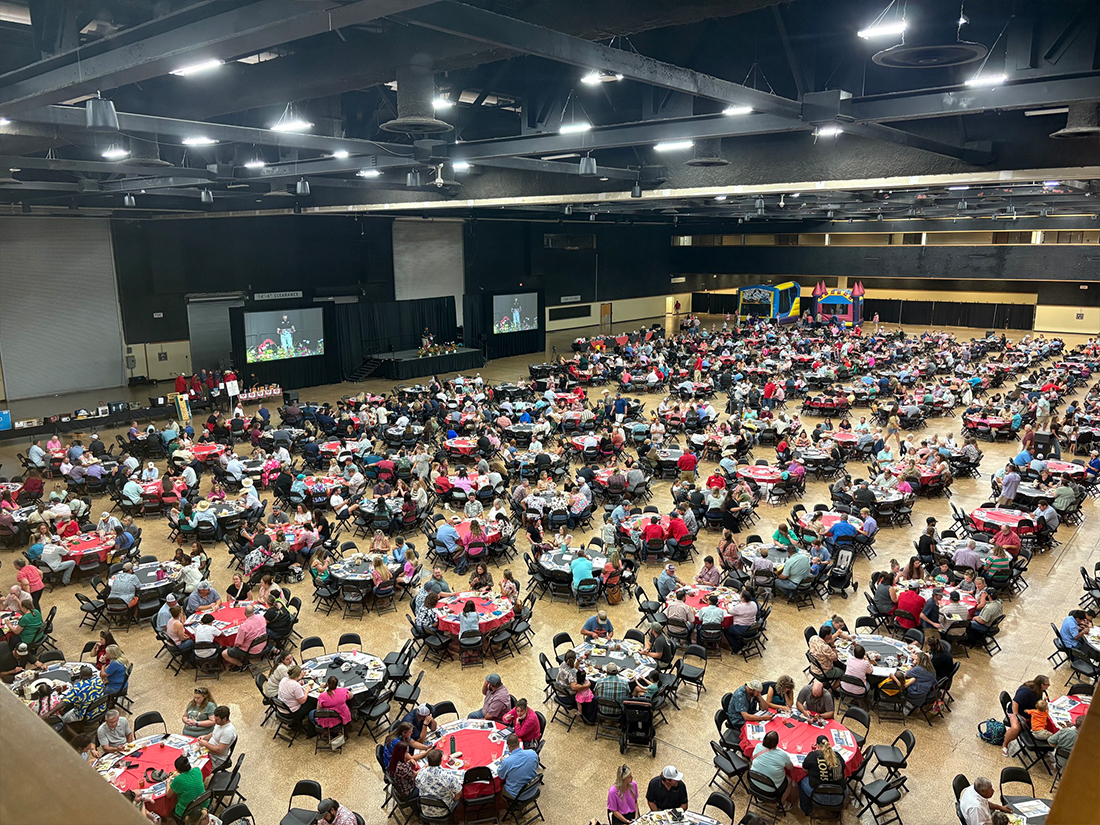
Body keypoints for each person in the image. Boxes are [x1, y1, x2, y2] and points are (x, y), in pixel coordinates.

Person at [1000, 675, 1050, 757]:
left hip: (1027, 713)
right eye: (1047, 684)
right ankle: (1005, 745)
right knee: (1016, 728)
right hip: (1015, 711)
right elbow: (1015, 702)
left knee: (1043, 722)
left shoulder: (1039, 690)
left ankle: (1041, 748)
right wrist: (1016, 716)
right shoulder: (1026, 691)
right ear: (1042, 685)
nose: (1048, 686)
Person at [798, 734, 846, 815]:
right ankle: (835, 812)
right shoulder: (838, 756)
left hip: (818, 796)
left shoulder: (813, 755)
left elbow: (804, 770)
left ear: (817, 746)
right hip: (838, 797)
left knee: (801, 781)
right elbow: (843, 769)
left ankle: (805, 809)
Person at [750, 731, 797, 808]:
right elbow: (790, 767)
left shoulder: (758, 746)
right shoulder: (782, 755)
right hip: (771, 790)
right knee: (789, 780)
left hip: (754, 783)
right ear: (777, 743)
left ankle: (760, 798)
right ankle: (781, 804)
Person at [416, 749, 464, 819]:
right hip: (444, 811)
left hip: (426, 810)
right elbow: (459, 793)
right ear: (440, 761)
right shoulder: (448, 776)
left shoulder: (421, 773)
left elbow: (417, 785)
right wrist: (453, 800)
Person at [498, 733, 540, 800]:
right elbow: (536, 766)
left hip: (518, 795)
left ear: (509, 747)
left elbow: (501, 776)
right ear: (519, 744)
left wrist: (501, 762)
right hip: (532, 789)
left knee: (498, 789)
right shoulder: (533, 753)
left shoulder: (506, 762)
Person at [170, 755, 208, 820]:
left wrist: (168, 782)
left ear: (177, 770)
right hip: (203, 803)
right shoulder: (197, 770)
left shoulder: (178, 780)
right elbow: (194, 768)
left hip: (187, 811)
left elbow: (169, 795)